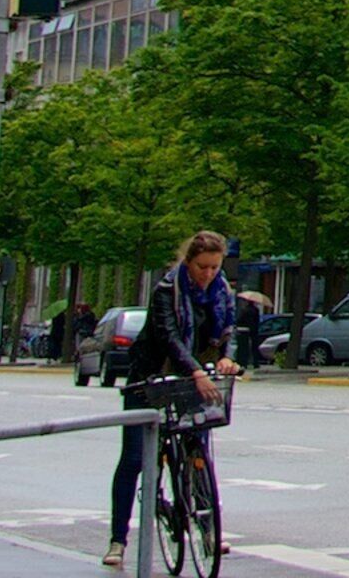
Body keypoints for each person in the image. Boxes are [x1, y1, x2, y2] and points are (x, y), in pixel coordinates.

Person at [105, 230, 242, 570]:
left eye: (214, 267)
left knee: (198, 453)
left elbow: (230, 331)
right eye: (202, 267)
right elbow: (168, 337)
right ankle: (118, 540)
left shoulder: (222, 291)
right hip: (151, 377)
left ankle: (208, 531)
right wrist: (196, 371)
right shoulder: (168, 290)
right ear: (188, 261)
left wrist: (227, 357)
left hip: (192, 378)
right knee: (135, 458)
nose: (208, 274)